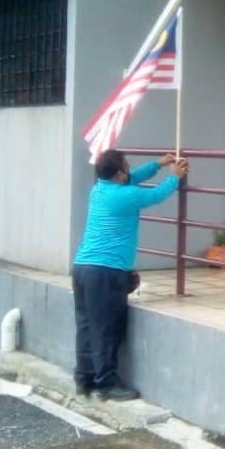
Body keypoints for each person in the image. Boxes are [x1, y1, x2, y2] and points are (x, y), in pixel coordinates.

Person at [72, 149, 189, 401]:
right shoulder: (126, 195)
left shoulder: (99, 189)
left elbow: (133, 177)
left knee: (86, 326)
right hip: (105, 272)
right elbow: (156, 194)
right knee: (106, 329)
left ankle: (84, 378)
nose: (129, 169)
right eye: (126, 166)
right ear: (117, 174)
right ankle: (107, 384)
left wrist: (157, 164)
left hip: (82, 268)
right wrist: (174, 177)